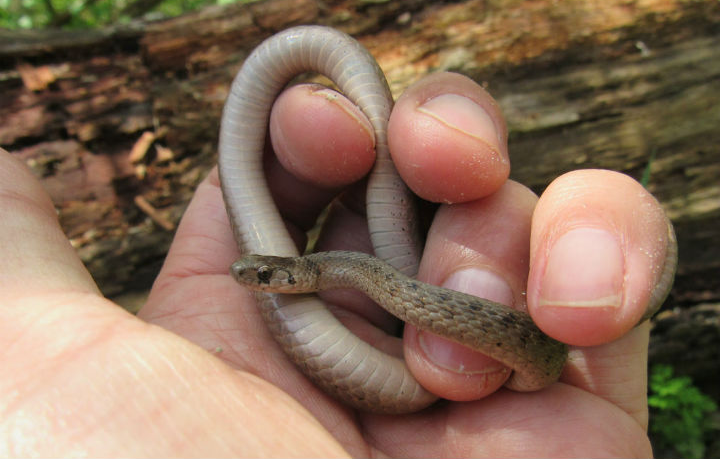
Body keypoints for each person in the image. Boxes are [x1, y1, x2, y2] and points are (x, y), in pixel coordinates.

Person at [0, 72, 673, 457]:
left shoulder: (357, 272)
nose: (254, 281)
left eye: (265, 277)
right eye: (262, 276)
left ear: (295, 276)